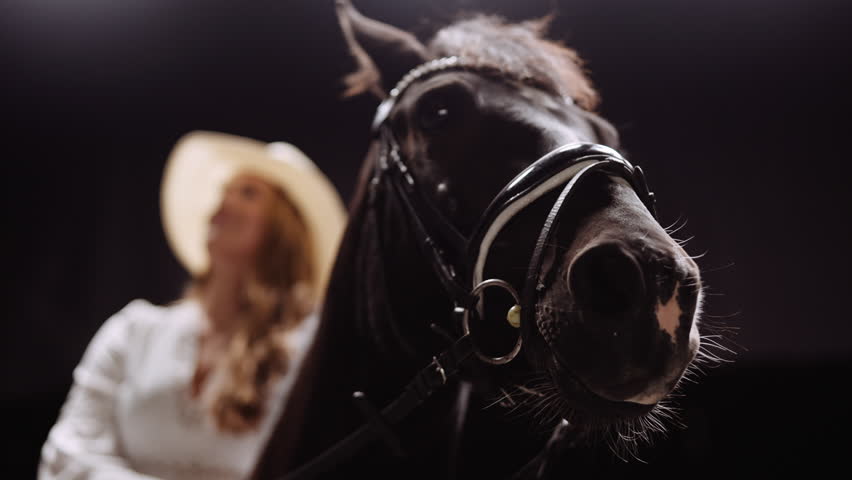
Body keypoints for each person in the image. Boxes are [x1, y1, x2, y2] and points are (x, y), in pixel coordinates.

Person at [38, 131, 347, 480]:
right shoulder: (136, 330)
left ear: (283, 228)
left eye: (247, 193)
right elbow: (66, 454)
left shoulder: (309, 347)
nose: (222, 204)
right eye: (223, 191)